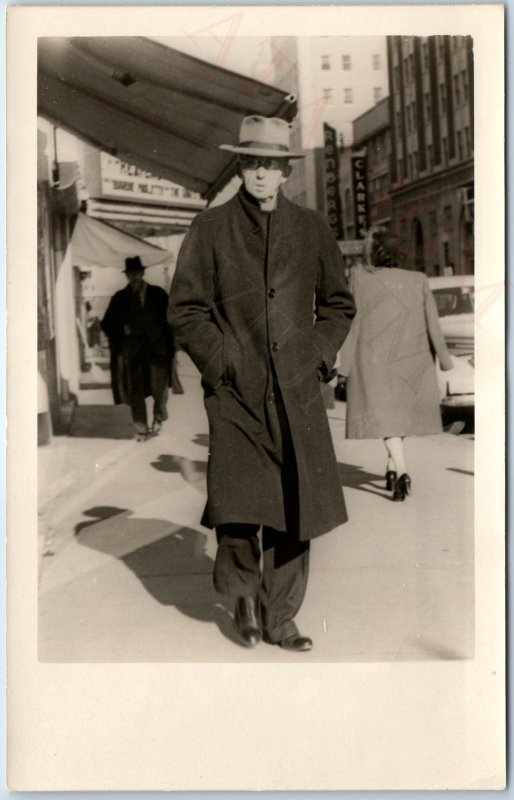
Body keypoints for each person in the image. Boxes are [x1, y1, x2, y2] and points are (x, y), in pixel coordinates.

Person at [168, 115, 356, 651]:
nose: (260, 175)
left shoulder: (312, 228)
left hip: (296, 390)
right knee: (238, 504)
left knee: (296, 508)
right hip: (234, 392)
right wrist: (223, 358)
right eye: (251, 163)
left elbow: (339, 304)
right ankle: (244, 595)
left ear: (284, 172)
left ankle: (283, 617)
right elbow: (185, 311)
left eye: (270, 165)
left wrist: (317, 353)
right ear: (240, 167)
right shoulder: (210, 229)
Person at [340, 226, 453, 501]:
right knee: (396, 418)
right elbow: (433, 325)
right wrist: (445, 361)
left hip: (373, 361)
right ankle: (395, 467)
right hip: (411, 361)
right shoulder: (418, 279)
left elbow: (351, 325)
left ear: (373, 252)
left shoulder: (359, 280)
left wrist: (342, 367)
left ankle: (399, 470)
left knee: (385, 417)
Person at [102, 256, 173, 441]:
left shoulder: (158, 295)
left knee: (160, 389)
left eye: (136, 274)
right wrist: (121, 329)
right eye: (130, 275)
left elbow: (171, 320)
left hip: (157, 351)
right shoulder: (120, 298)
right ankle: (141, 428)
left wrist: (171, 346)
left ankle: (158, 419)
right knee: (136, 391)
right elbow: (107, 324)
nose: (134, 278)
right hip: (133, 354)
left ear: (143, 273)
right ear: (127, 276)